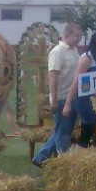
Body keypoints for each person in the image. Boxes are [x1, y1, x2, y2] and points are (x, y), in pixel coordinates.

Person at [32, 23, 82, 166]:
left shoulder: (74, 51)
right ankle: (63, 161)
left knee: (62, 129)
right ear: (67, 35)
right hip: (61, 97)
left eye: (80, 36)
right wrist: (53, 99)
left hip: (72, 96)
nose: (78, 39)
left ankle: (40, 158)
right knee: (63, 132)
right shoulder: (58, 51)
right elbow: (53, 75)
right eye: (76, 36)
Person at [64, 26, 96, 148]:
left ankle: (78, 158)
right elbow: (76, 81)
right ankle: (93, 159)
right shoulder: (87, 58)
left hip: (95, 101)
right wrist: (67, 104)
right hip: (84, 100)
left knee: (86, 133)